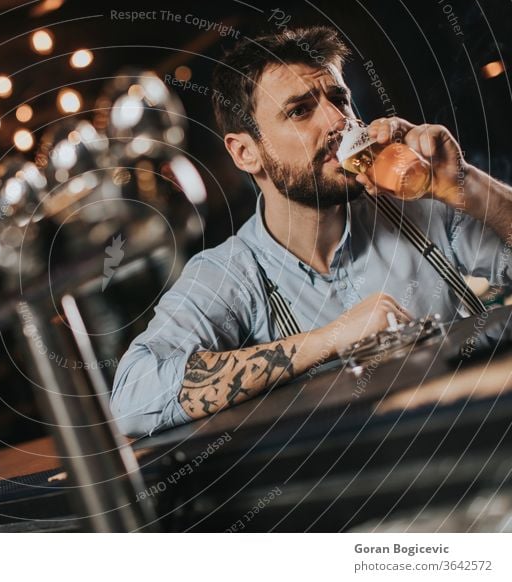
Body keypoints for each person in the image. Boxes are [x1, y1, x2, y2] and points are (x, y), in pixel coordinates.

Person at [110, 25, 512, 437]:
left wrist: (466, 184)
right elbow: (135, 398)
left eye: (339, 100)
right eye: (300, 110)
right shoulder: (229, 273)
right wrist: (330, 339)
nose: (339, 121)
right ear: (246, 152)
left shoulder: (416, 204)